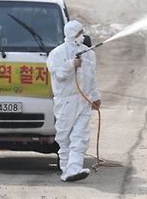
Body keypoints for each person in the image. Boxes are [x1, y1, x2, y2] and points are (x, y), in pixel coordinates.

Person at [46, 20, 101, 182]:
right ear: (71, 34)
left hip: (83, 99)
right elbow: (59, 75)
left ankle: (74, 168)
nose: (82, 36)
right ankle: (66, 170)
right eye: (79, 33)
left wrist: (95, 97)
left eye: (82, 32)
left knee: (80, 136)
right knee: (65, 137)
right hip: (66, 101)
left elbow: (92, 78)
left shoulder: (88, 53)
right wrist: (72, 64)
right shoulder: (57, 53)